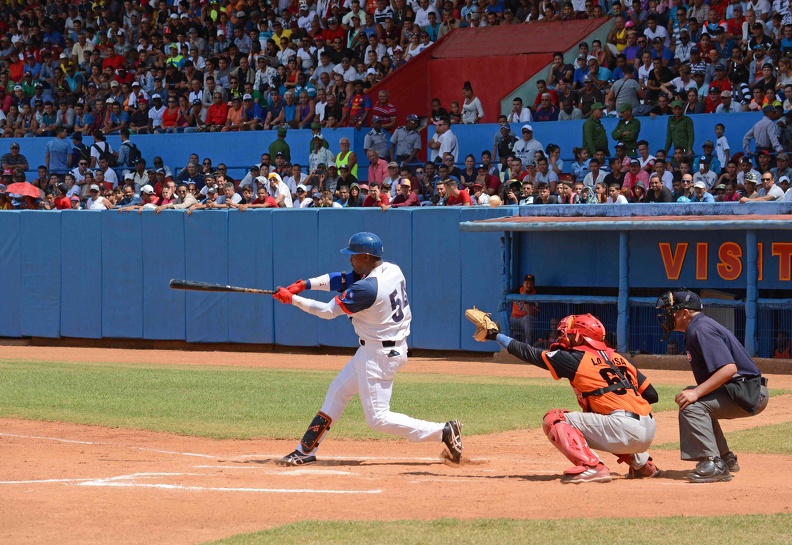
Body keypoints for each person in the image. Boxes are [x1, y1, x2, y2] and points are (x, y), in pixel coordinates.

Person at [271, 232, 463, 466]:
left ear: (365, 256)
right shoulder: (392, 269)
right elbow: (343, 280)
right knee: (338, 391)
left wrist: (293, 300)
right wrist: (305, 284)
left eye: (353, 256)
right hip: (376, 349)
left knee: (378, 419)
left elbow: (328, 311)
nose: (350, 260)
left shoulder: (368, 289)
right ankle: (305, 450)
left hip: (380, 355)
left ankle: (443, 431)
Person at [469, 311, 659, 483]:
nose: (564, 336)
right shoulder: (619, 357)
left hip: (625, 430)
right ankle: (642, 465)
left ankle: (592, 467)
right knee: (605, 417)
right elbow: (651, 395)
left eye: (567, 333)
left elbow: (529, 353)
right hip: (648, 428)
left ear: (578, 336)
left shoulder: (574, 358)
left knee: (555, 419)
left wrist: (496, 335)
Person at [655, 290, 769, 483]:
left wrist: (696, 393)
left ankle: (713, 463)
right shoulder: (699, 326)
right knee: (692, 394)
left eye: (670, 311)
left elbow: (728, 369)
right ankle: (725, 458)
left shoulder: (700, 329)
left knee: (692, 404)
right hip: (743, 389)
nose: (667, 316)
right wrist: (695, 392)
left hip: (747, 392)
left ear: (684, 313)